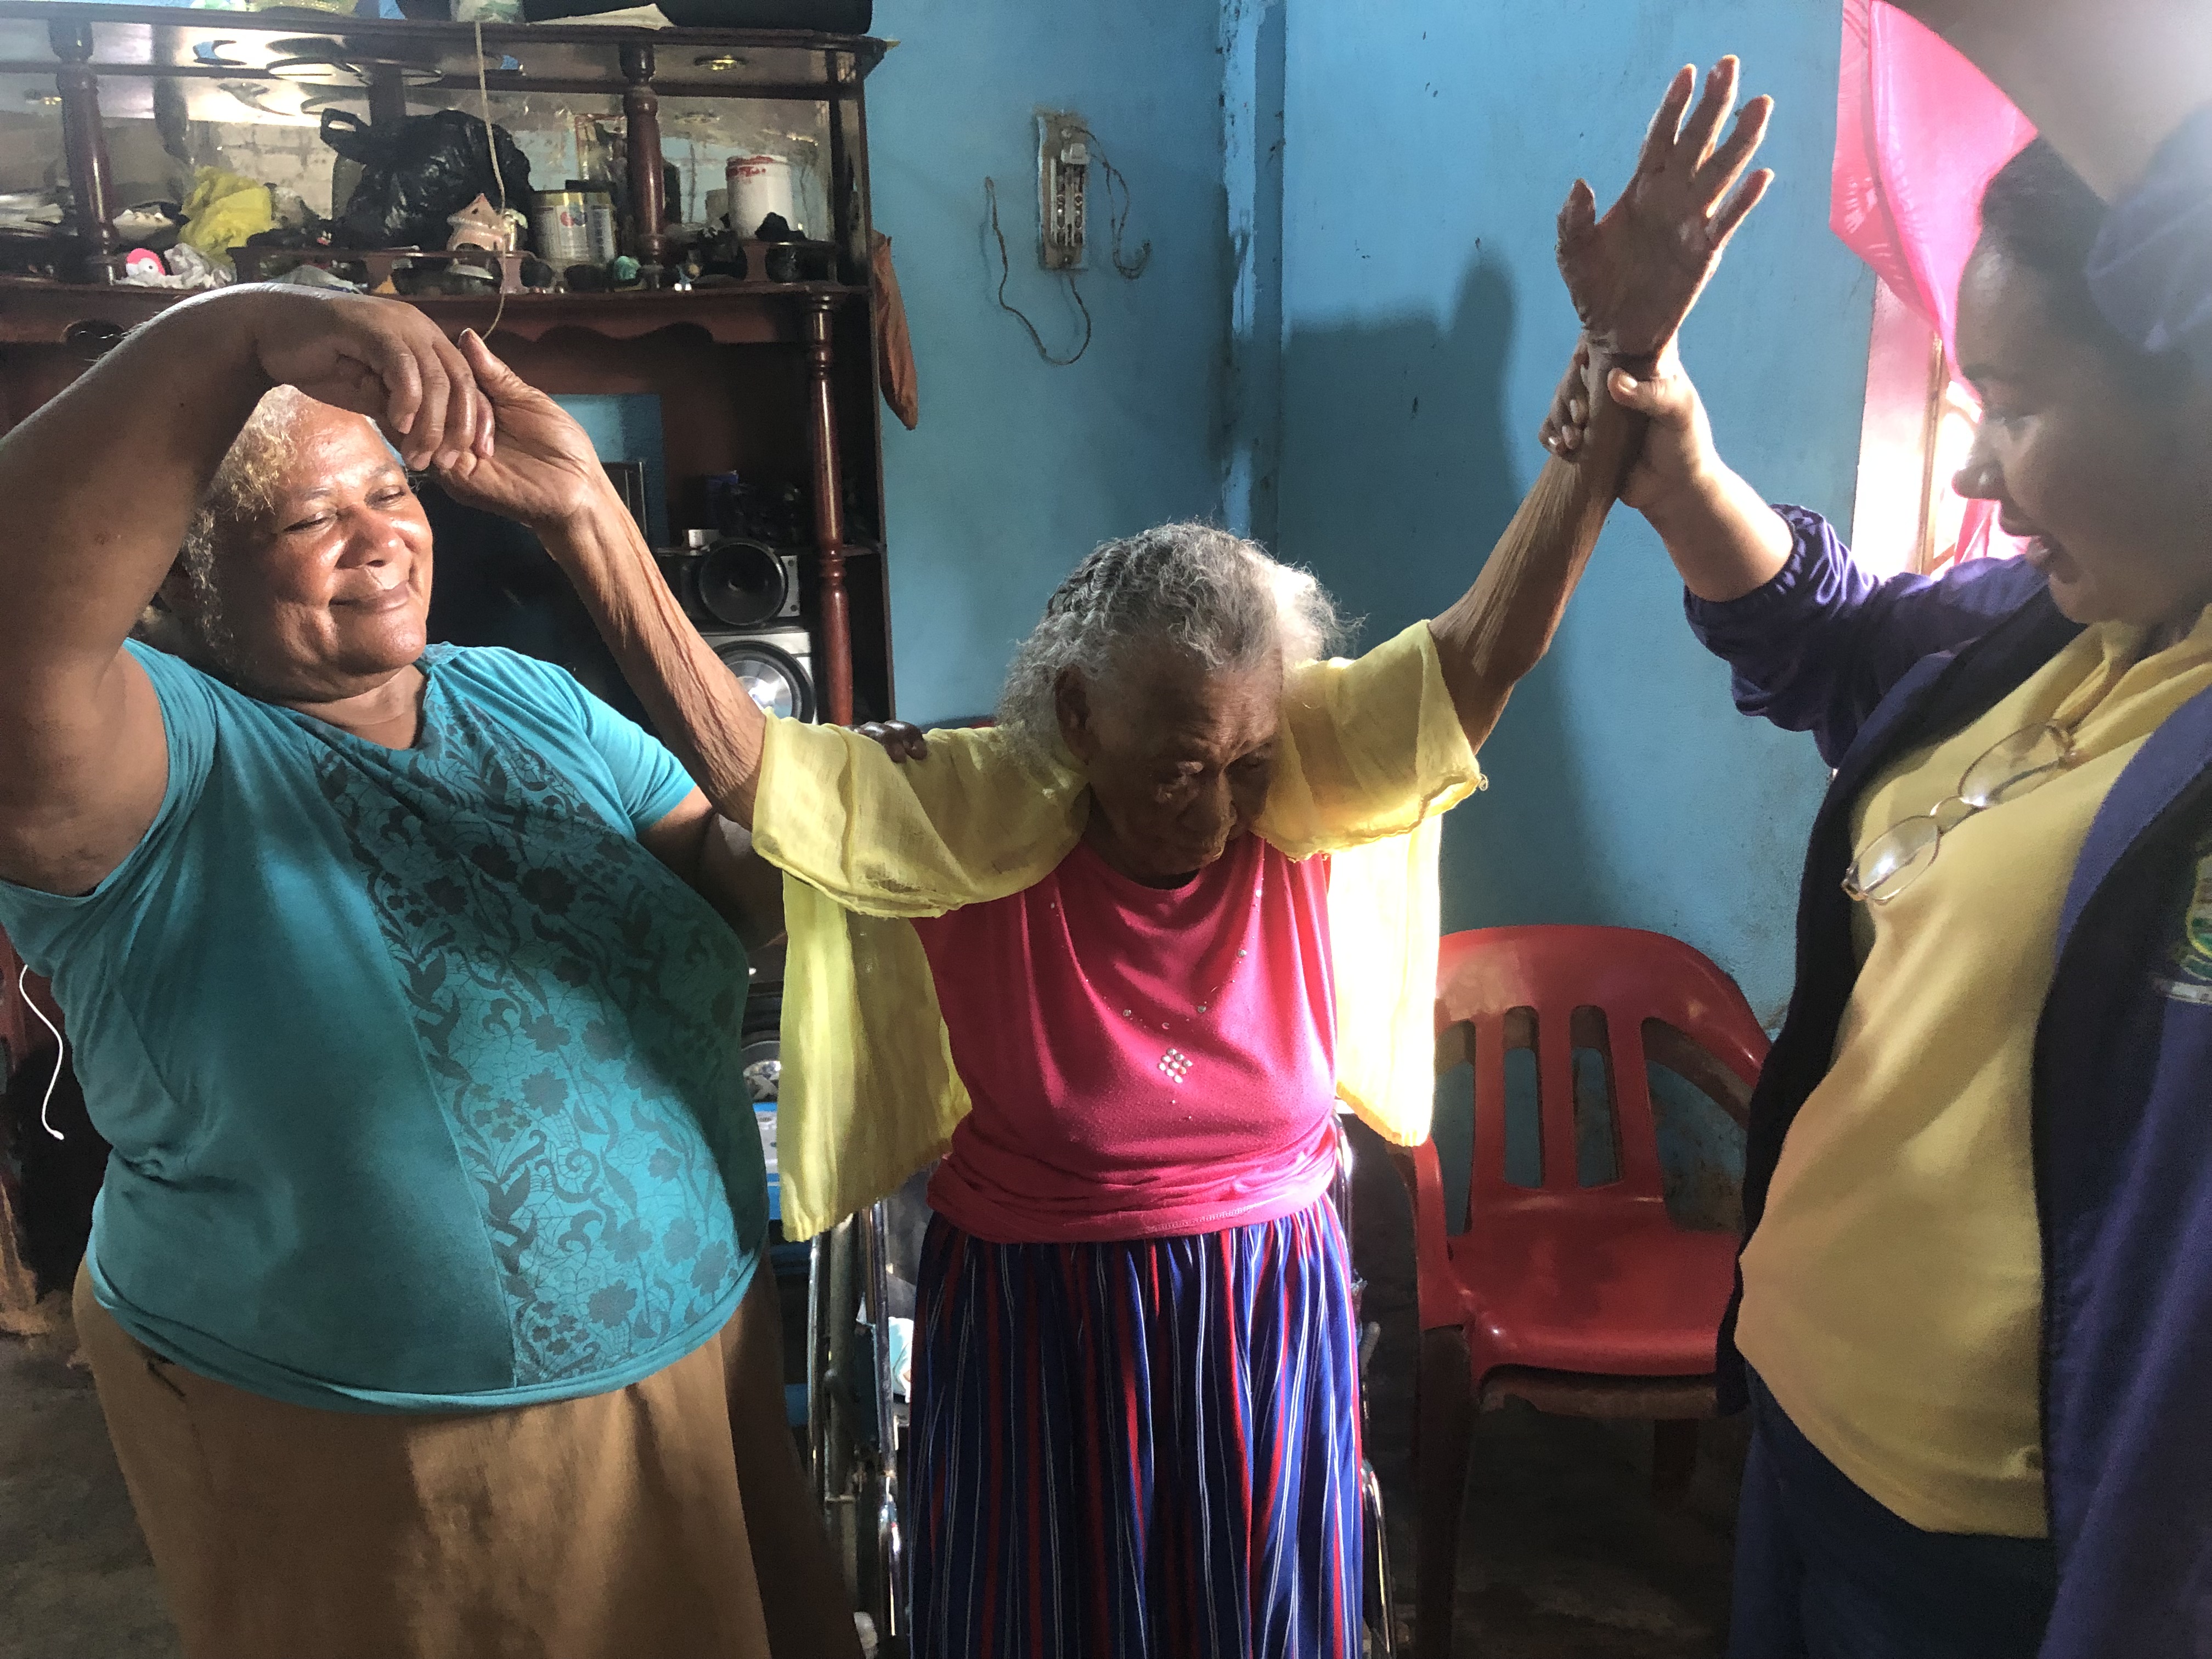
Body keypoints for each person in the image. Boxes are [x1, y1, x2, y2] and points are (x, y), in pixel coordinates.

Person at [444, 60, 1773, 1657]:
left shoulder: (1301, 775)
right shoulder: (980, 813)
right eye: (1176, 767)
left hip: (1263, 1309)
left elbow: (1484, 651)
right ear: (1075, 716)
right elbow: (753, 766)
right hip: (1039, 1327)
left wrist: (1621, 369)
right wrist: (588, 519)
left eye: (1245, 763)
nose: (1216, 807)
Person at [0, 287, 857, 1659]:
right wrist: (234, 333)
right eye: (310, 517)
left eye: (393, 492)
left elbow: (732, 880)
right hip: (384, 1448)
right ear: (178, 576)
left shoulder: (525, 697)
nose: (380, 538)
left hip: (699, 1356)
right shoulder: (161, 760)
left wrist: (589, 519)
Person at [1542, 49, 2212, 1659]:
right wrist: (1675, 451)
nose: (1974, 468)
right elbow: (1838, 644)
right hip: (1804, 1437)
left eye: (2023, 406)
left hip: (1989, 1555)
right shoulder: (2058, 624)